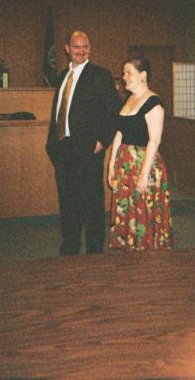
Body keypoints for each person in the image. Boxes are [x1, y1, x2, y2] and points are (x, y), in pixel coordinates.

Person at [46, 30, 120, 255]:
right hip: (63, 149)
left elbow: (113, 112)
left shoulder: (100, 75)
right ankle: (70, 246)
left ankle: (94, 250)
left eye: (85, 47)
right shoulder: (62, 76)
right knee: (68, 202)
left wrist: (102, 142)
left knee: (92, 203)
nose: (81, 51)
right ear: (67, 49)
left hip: (88, 150)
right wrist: (52, 145)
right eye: (76, 47)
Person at [107, 55, 174, 250]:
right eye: (124, 73)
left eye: (128, 73)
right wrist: (111, 165)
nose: (124, 77)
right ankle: (129, 247)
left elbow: (155, 140)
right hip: (125, 164)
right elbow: (120, 133)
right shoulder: (128, 100)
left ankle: (148, 252)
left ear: (142, 75)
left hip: (144, 164)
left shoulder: (153, 102)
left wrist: (144, 175)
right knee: (128, 208)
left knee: (143, 209)